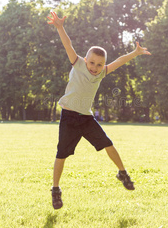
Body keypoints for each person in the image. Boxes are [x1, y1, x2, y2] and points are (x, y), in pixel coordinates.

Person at [47, 11, 151, 209]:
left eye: (99, 64)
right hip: (69, 117)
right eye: (92, 62)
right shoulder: (77, 64)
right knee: (61, 154)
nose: (95, 67)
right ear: (86, 59)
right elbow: (68, 44)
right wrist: (60, 27)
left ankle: (122, 172)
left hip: (86, 118)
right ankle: (55, 189)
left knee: (108, 144)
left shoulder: (102, 73)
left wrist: (135, 53)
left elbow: (119, 61)